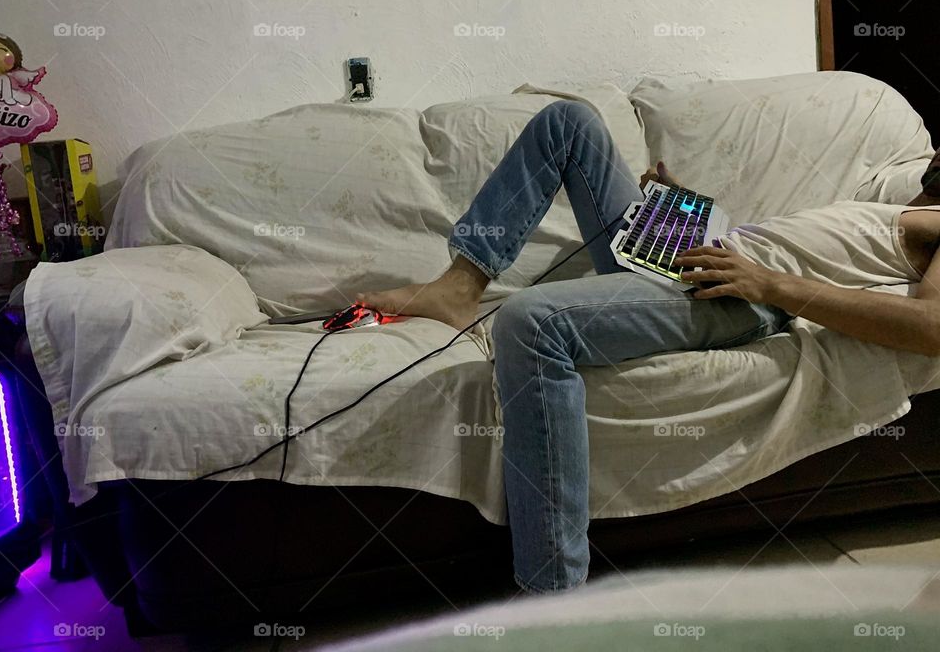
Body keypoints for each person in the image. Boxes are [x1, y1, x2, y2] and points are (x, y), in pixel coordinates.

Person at [356, 100, 940, 594]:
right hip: (713, 256)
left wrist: (770, 284)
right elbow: (805, 247)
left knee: (531, 322)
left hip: (739, 298)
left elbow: (931, 327)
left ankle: (553, 590)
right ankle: (459, 287)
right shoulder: (896, 205)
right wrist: (685, 213)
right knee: (569, 123)